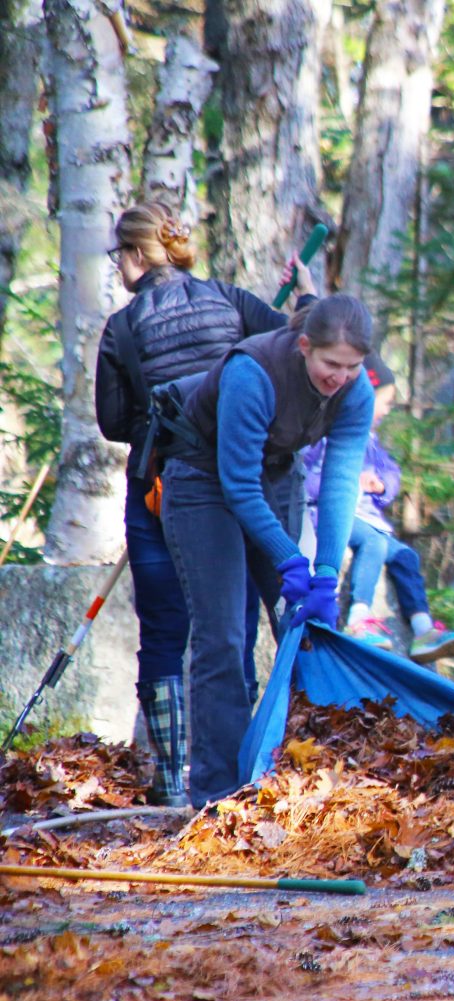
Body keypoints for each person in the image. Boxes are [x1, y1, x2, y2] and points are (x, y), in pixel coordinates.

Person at [94, 200, 315, 807]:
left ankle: (175, 779)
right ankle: (264, 765)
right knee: (234, 629)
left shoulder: (123, 325)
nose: (119, 267)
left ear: (137, 256)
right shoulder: (231, 300)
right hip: (253, 477)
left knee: (171, 629)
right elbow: (295, 342)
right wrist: (310, 297)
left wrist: (162, 409)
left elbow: (113, 422)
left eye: (120, 256)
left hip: (167, 487)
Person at [160, 293, 375, 807]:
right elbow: (237, 484)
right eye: (330, 364)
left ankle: (307, 775)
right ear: (304, 346)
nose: (339, 377)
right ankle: (218, 794)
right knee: (224, 637)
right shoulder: (252, 372)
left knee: (305, 628)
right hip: (203, 482)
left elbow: (342, 479)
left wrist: (325, 571)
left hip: (276, 477)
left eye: (352, 367)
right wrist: (289, 557)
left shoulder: (356, 390)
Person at [301, 361, 454, 664]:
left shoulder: (372, 441)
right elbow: (304, 478)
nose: (388, 410)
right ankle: (358, 620)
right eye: (386, 402)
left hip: (368, 521)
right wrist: (346, 481)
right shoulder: (326, 434)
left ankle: (423, 632)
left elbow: (392, 472)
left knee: (407, 556)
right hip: (330, 517)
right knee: (375, 542)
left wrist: (381, 486)